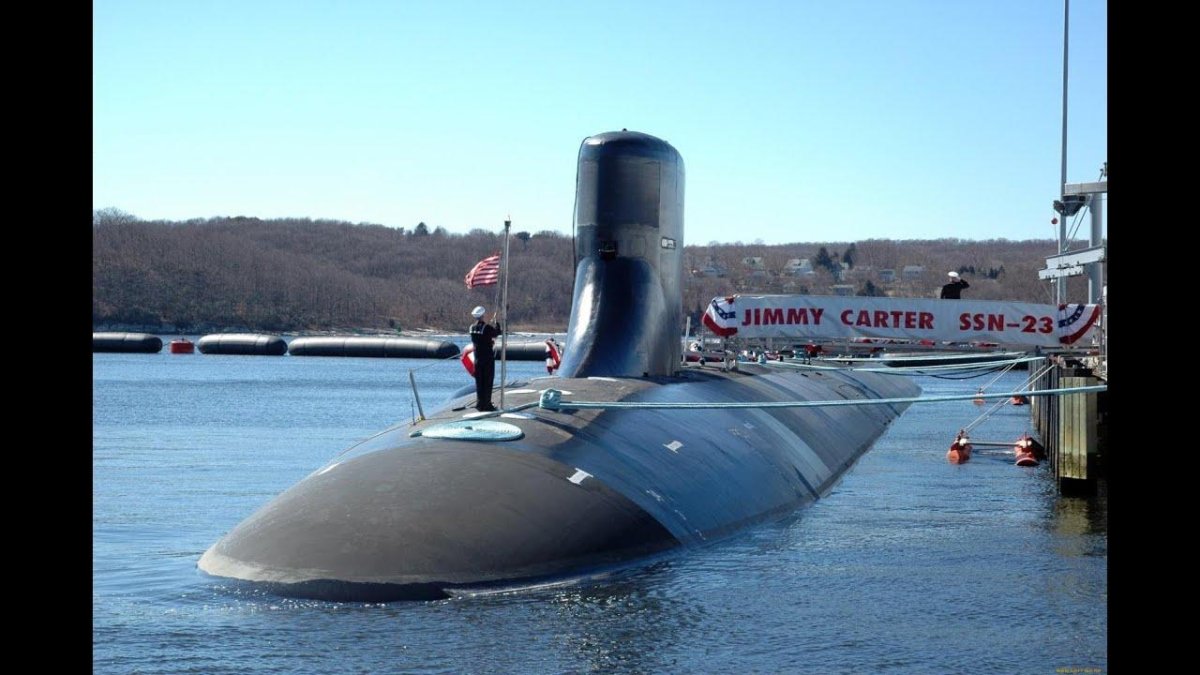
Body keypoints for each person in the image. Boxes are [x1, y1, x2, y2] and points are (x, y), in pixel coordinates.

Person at [468, 305, 503, 411]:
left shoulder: (471, 328)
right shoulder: (486, 328)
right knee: (487, 382)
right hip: (487, 358)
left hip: (477, 359)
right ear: (482, 315)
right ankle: (487, 404)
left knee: (479, 382)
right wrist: (497, 324)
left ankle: (480, 403)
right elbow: (497, 333)